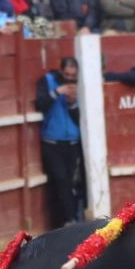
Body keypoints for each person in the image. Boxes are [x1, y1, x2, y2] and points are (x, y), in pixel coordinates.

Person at [34, 56, 83, 229]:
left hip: (72, 143)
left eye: (73, 75)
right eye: (67, 74)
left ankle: (69, 220)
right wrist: (57, 92)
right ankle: (69, 221)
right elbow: (40, 104)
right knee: (61, 181)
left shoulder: (78, 87)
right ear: (61, 71)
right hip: (52, 142)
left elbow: (79, 119)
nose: (70, 78)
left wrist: (72, 104)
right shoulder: (47, 81)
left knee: (70, 182)